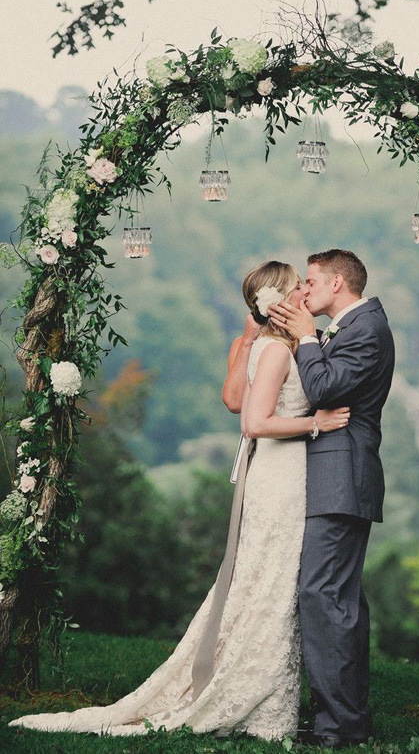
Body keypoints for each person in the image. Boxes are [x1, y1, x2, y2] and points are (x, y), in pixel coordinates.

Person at [9, 261, 349, 740]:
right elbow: (251, 421)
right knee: (268, 580)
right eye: (296, 289)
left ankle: (267, 696)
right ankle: (251, 696)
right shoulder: (272, 351)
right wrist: (318, 423)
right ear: (277, 303)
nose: (303, 296)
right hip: (279, 471)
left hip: (287, 473)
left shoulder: (284, 347)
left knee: (270, 582)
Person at [269, 249, 395, 749]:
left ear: (338, 283)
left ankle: (338, 729)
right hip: (333, 477)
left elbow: (323, 387)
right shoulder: (349, 328)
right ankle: (344, 720)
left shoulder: (366, 328)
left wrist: (303, 336)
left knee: (322, 597)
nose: (305, 291)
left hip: (342, 477)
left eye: (314, 281)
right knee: (336, 601)